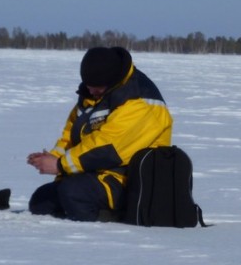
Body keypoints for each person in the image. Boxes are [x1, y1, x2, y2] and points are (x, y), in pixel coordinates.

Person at [27, 46, 173, 221]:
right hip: (95, 172)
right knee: (41, 201)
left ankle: (107, 227)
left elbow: (108, 147)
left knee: (73, 193)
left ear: (112, 81)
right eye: (88, 86)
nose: (91, 91)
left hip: (128, 181)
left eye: (97, 87)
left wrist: (60, 164)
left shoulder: (140, 101)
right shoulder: (92, 95)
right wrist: (52, 156)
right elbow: (71, 136)